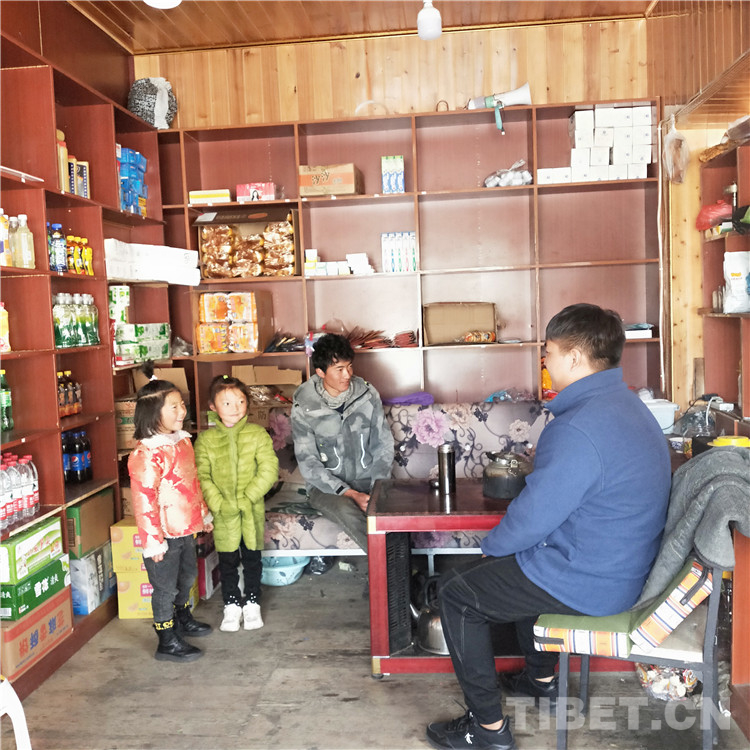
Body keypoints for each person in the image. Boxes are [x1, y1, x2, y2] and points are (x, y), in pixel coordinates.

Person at [425, 303, 671, 750]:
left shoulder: (579, 427)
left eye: (550, 353)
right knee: (519, 561)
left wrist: (490, 548)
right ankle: (539, 680)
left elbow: (533, 516)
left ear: (574, 357)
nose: (545, 361)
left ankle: (488, 730)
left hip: (594, 580)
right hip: (621, 566)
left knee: (458, 593)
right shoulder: (630, 407)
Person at [128, 374, 214, 663]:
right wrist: (153, 542)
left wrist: (203, 514)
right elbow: (143, 500)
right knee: (165, 588)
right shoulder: (146, 453)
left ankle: (182, 617)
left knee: (187, 576)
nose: (182, 411)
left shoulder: (182, 442)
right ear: (154, 412)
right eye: (174, 407)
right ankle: (166, 640)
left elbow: (192, 484)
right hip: (163, 536)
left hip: (185, 528)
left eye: (182, 405)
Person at [291, 333, 394, 552]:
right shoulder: (304, 406)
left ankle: (395, 567)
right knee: (347, 510)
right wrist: (350, 494)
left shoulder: (367, 395)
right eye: (339, 369)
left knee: (388, 509)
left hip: (368, 481)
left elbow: (383, 445)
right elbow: (309, 464)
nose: (347, 374)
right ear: (320, 372)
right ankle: (392, 567)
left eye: (349, 366)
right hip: (327, 489)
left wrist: (377, 490)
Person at [195, 375, 279, 632]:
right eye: (227, 403)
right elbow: (202, 476)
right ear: (213, 406)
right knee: (227, 560)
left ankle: (252, 602)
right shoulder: (205, 440)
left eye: (241, 401)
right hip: (223, 513)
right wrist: (219, 504)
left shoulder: (257, 434)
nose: (235, 408)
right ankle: (231, 604)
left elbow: (268, 469)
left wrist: (248, 497)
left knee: (252, 557)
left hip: (251, 509)